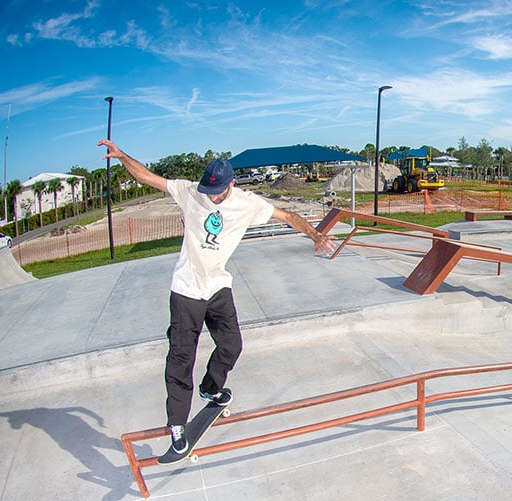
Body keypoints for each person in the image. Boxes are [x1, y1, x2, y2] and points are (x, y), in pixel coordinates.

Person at [97, 139, 336, 464]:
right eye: (208, 192)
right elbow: (147, 177)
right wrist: (123, 156)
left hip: (217, 287)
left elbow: (288, 215)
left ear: (231, 184)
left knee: (232, 345)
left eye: (218, 193)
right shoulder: (189, 192)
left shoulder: (247, 203)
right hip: (186, 291)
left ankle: (211, 387)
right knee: (182, 358)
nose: (212, 198)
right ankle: (178, 428)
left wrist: (314, 234)